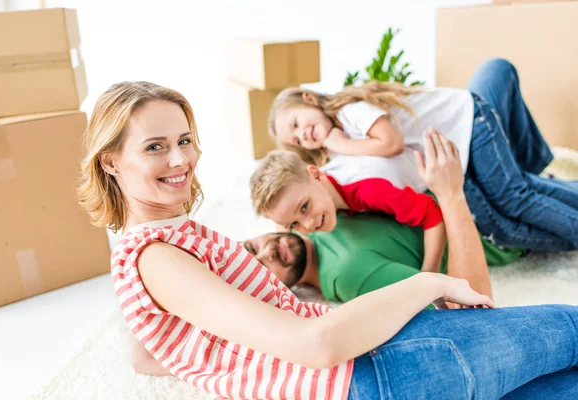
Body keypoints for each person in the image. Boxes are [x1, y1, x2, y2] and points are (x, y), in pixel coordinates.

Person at [76, 81, 578, 399]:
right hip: (369, 370)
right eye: (155, 147)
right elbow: (315, 345)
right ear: (111, 162)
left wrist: (223, 365)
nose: (181, 160)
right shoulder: (157, 257)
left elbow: (145, 356)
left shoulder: (157, 242)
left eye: (184, 140)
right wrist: (431, 283)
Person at [269, 58, 578, 251]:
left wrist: (339, 143)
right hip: (457, 144)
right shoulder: (340, 147)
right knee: (516, 195)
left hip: (470, 121)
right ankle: (548, 178)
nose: (302, 135)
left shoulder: (350, 112)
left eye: (296, 123)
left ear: (309, 98)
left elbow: (392, 144)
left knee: (514, 197)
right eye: (295, 139)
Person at [242, 211, 523, 304]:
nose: (269, 252)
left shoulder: (310, 214)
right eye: (263, 268)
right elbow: (459, 302)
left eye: (254, 248)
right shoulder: (347, 275)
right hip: (497, 228)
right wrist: (450, 192)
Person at [249, 147, 446, 273]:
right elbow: (282, 219)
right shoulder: (316, 187)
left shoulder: (369, 191)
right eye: (294, 224)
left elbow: (433, 214)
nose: (308, 224)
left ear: (316, 175)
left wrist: (429, 273)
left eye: (304, 207)